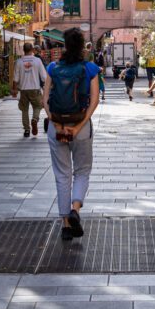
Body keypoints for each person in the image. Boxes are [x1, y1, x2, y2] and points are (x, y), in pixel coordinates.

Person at [43, 28, 101, 241]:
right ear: (82, 45)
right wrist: (78, 127)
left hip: (56, 126)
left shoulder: (52, 67)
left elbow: (44, 99)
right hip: (81, 127)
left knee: (62, 175)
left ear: (65, 45)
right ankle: (75, 208)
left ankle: (66, 224)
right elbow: (94, 102)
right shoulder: (90, 68)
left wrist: (56, 123)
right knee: (83, 170)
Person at [13, 42, 47, 138]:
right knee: (38, 106)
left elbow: (15, 78)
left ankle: (27, 130)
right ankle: (35, 119)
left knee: (24, 110)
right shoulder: (37, 61)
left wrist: (14, 90)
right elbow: (44, 77)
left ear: (23, 50)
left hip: (23, 89)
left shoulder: (19, 62)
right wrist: (47, 87)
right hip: (35, 89)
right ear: (32, 50)